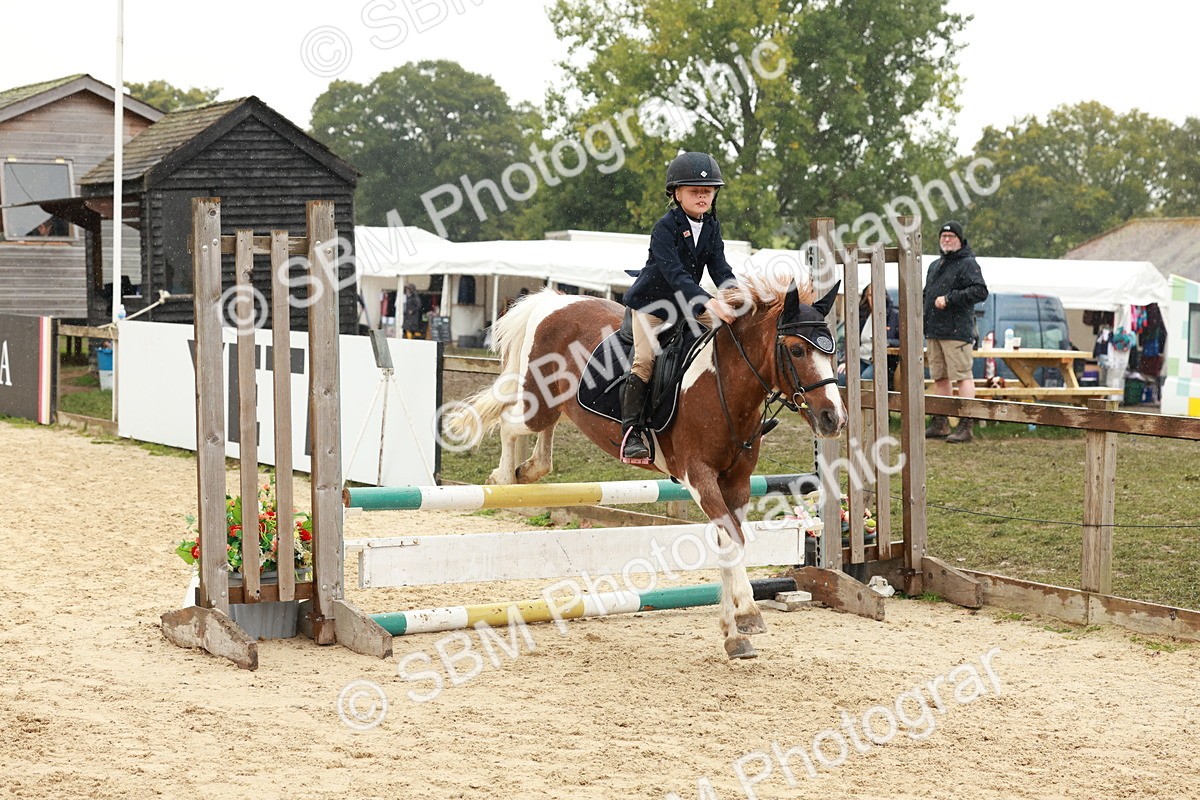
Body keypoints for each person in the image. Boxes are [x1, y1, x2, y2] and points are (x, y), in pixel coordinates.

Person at [619, 151, 738, 462]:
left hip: (688, 304)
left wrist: (737, 297)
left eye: (708, 191)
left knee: (725, 345)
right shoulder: (665, 227)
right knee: (644, 360)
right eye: (694, 191)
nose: (702, 196)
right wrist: (710, 301)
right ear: (676, 193)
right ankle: (632, 431)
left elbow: (720, 268)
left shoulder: (712, 226)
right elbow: (676, 275)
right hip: (653, 305)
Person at [924, 220, 988, 443]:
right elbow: (927, 295)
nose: (946, 240)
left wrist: (950, 299)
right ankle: (940, 423)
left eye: (951, 237)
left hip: (956, 331)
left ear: (960, 240)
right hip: (934, 330)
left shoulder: (968, 263)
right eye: (943, 236)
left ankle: (965, 424)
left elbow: (980, 291)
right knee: (940, 378)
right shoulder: (935, 265)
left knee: (962, 378)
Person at [856, 283, 901, 389]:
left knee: (866, 377)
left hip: (883, 361)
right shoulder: (861, 316)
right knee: (843, 377)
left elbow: (902, 341)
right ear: (867, 298)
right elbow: (848, 341)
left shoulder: (894, 315)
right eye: (871, 295)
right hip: (860, 359)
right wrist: (845, 361)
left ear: (885, 296)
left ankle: (867, 405)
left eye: (878, 294)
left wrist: (887, 342)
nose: (874, 298)